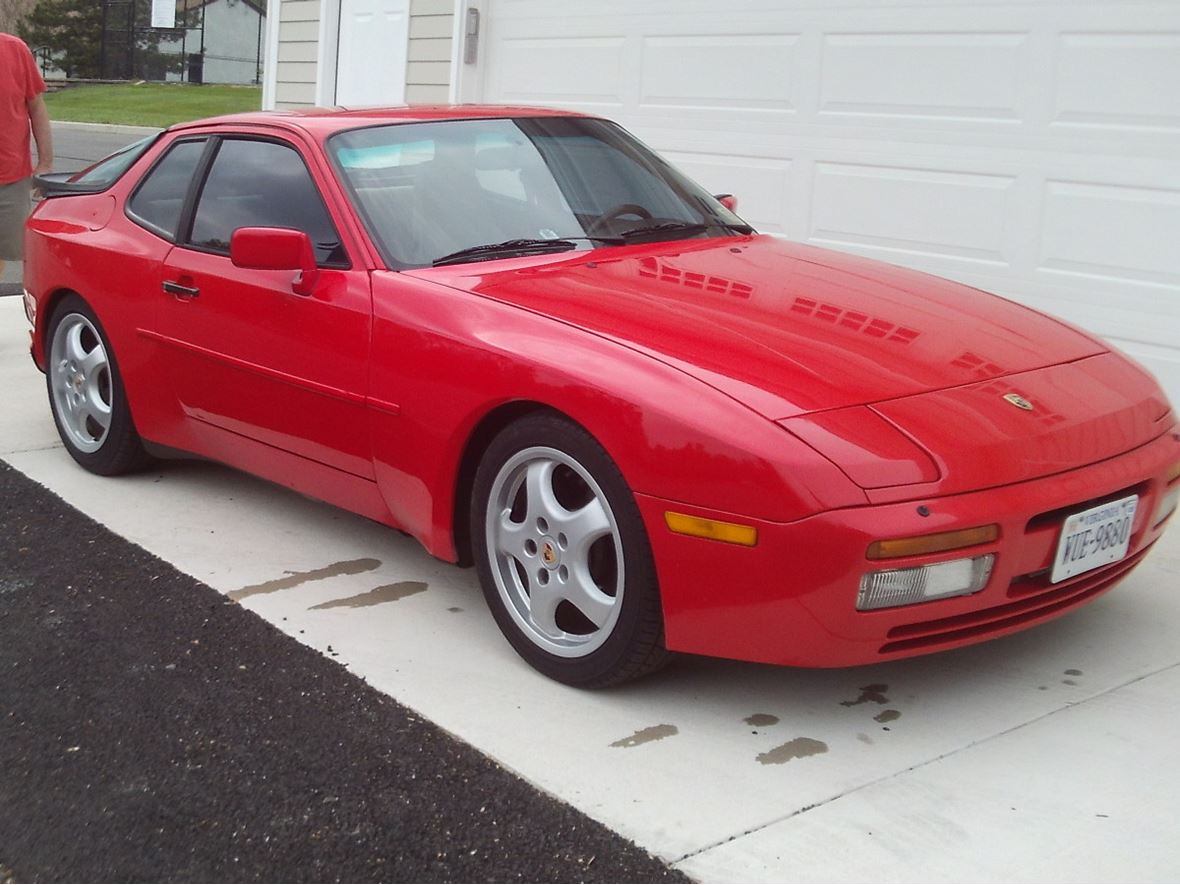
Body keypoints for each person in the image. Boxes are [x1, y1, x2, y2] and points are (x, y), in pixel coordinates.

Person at [1, 32, 53, 283]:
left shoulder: (14, 49)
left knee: (4, 251)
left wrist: (45, 163)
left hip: (11, 178)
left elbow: (37, 107)